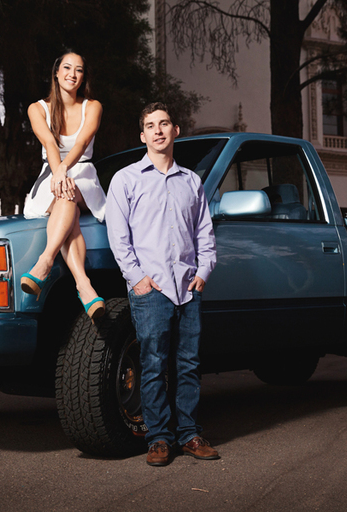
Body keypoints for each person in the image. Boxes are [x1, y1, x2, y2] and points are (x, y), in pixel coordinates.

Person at [105, 102, 218, 466]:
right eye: (150, 126)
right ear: (143, 136)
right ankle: (158, 439)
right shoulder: (126, 180)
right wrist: (137, 280)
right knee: (153, 364)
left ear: (176, 130)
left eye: (164, 123)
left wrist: (204, 271)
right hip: (150, 289)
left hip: (188, 286)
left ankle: (189, 435)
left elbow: (204, 232)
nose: (158, 130)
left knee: (188, 363)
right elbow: (118, 237)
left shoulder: (192, 181)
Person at [21, 51, 106, 321]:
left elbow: (81, 145)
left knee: (68, 193)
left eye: (78, 70)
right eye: (67, 68)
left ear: (83, 77)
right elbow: (48, 142)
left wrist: (63, 170)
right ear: (56, 73)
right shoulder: (37, 108)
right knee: (66, 200)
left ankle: (45, 261)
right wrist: (57, 173)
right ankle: (84, 285)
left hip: (83, 173)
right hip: (51, 174)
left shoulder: (92, 106)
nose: (72, 74)